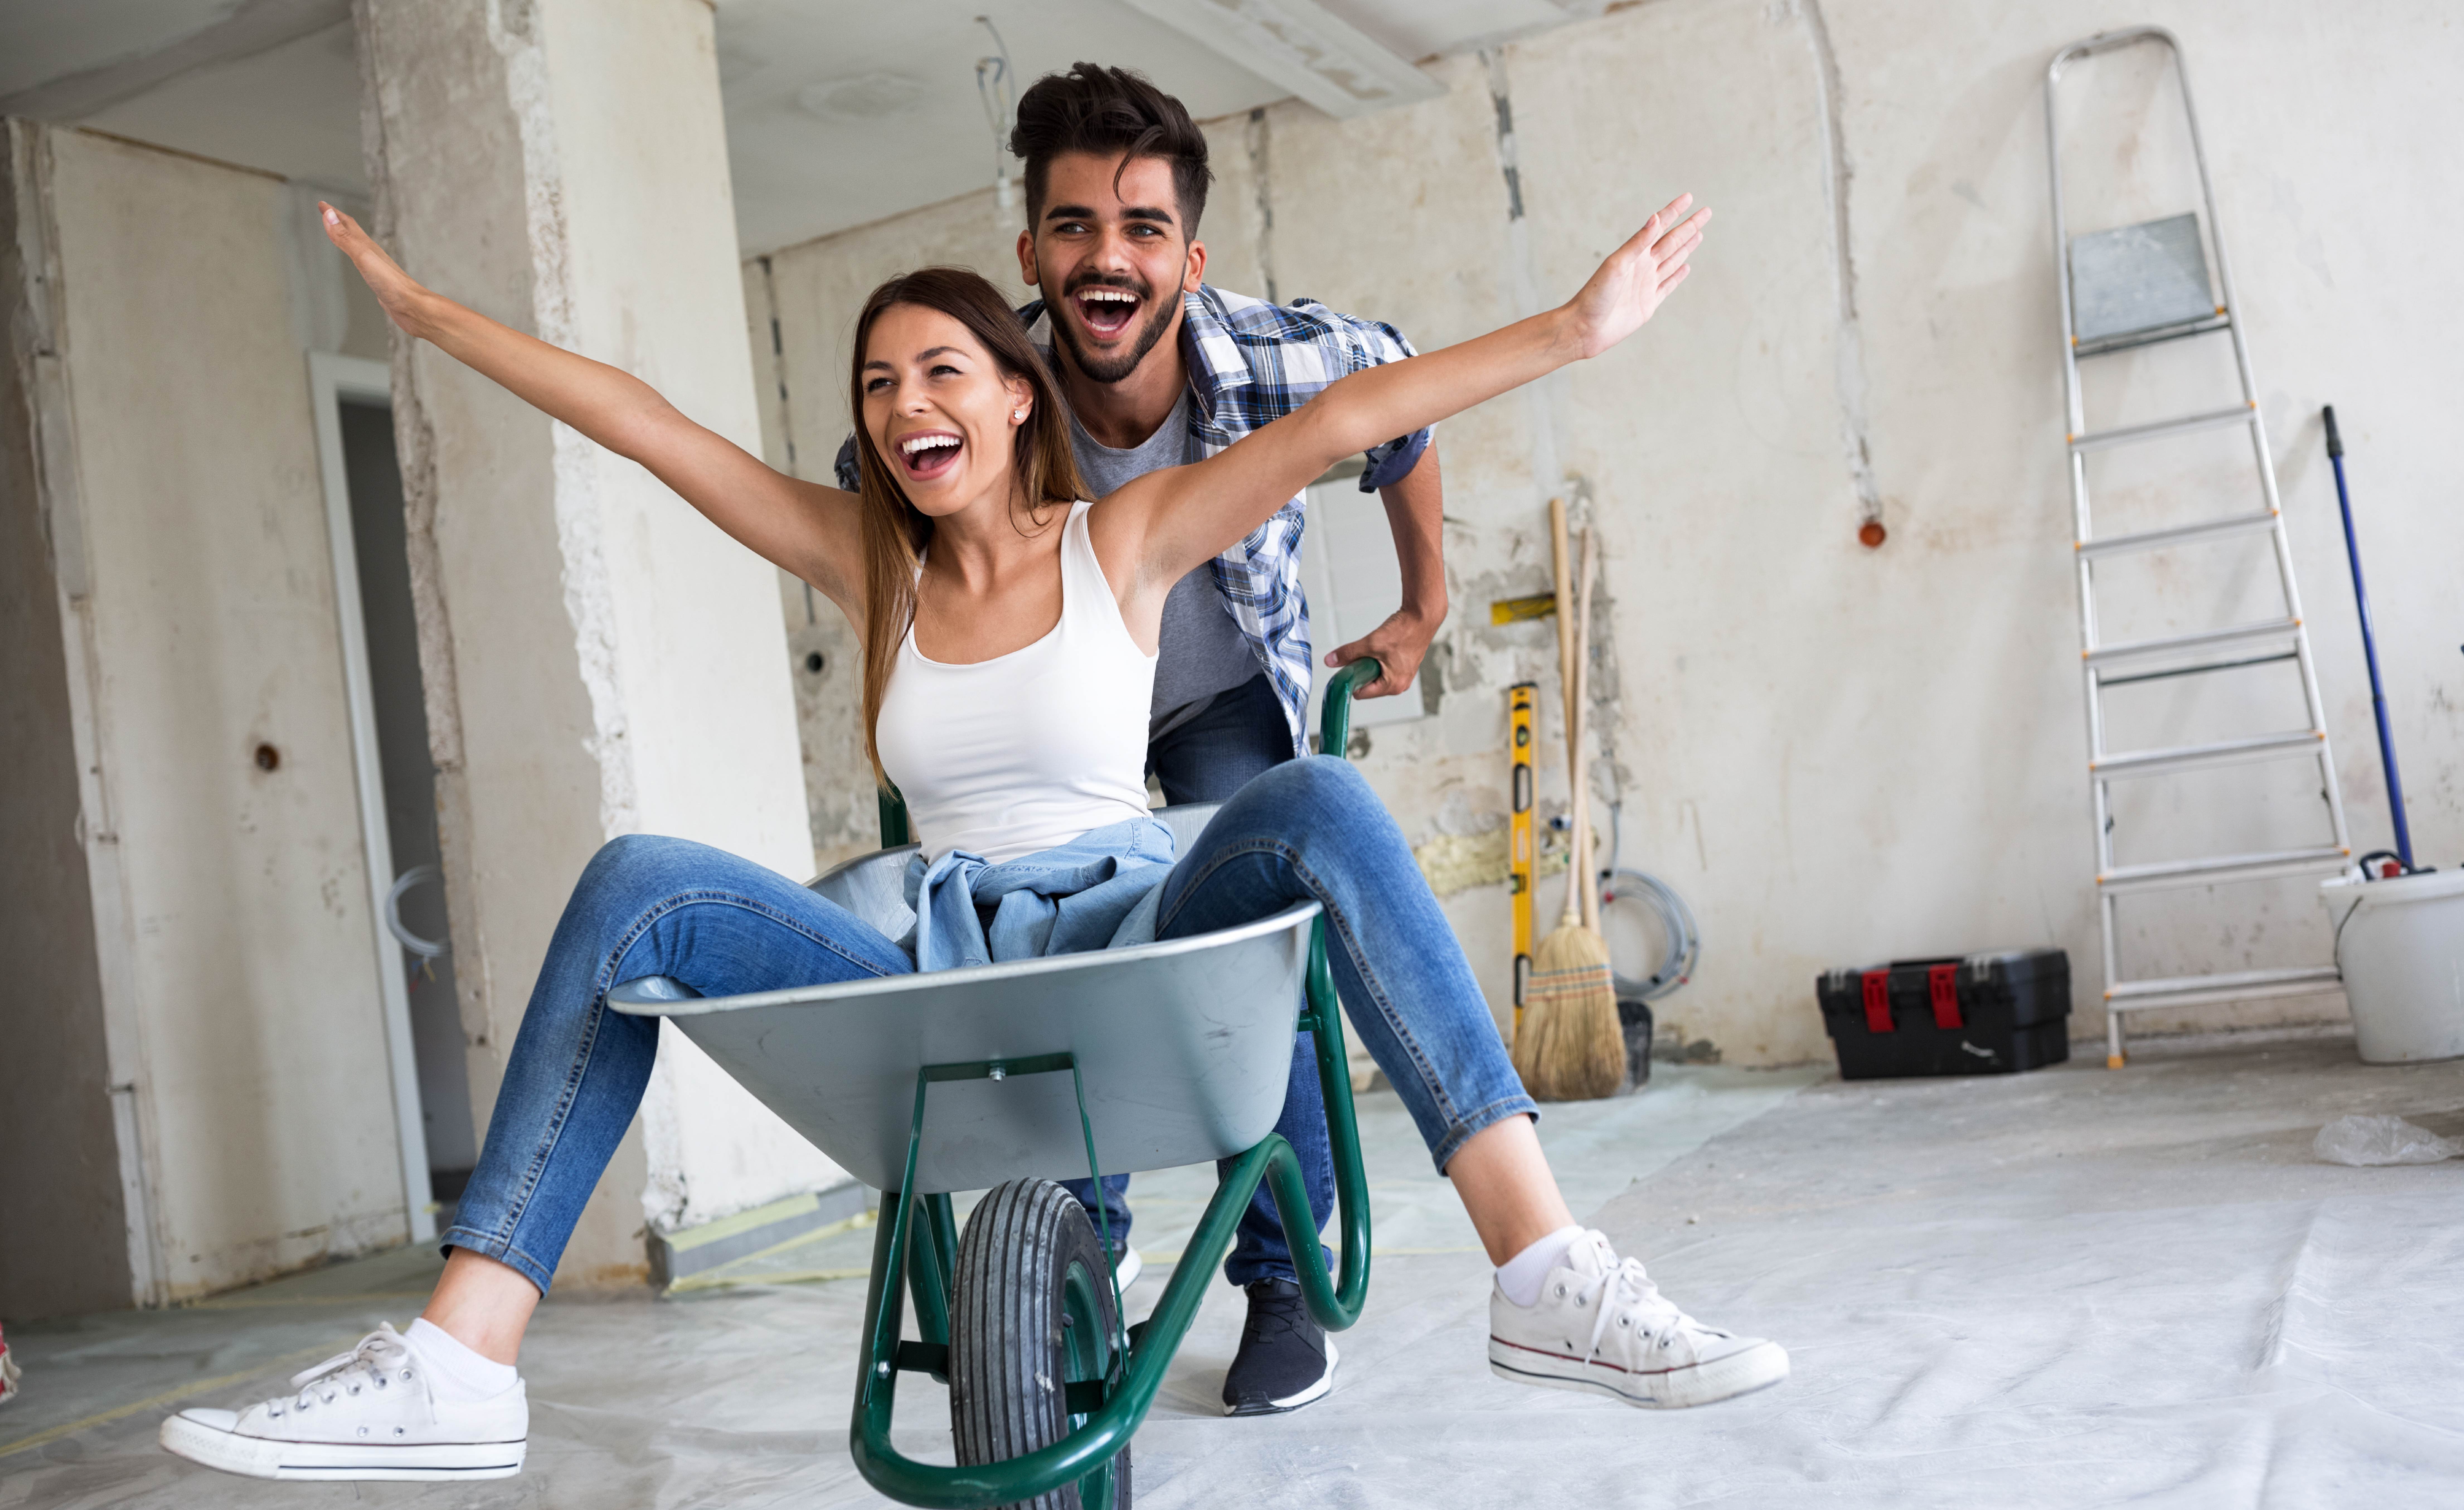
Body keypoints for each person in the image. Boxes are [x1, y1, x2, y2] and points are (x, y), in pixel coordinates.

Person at [161, 178, 1780, 1488]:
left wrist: (1575, 328)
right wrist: (432, 318)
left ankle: (1541, 1265)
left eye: (942, 369)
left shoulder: (1124, 538)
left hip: (1138, 936)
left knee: (1315, 795)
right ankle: (460, 1354)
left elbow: (1343, 421)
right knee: (637, 883)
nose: (904, 403)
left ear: (1017, 396)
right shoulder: (873, 569)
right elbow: (648, 427)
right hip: (940, 951)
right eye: (877, 385)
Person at [832, 62, 1449, 1416]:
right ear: (1031, 253)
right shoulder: (979, 390)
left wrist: (1424, 603)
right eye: (1072, 229)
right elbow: (877, 514)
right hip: (1055, 729)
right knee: (1055, 942)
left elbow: (1392, 405)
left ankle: (1280, 1275)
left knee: (1253, 953)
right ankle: (1078, 1249)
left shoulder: (1274, 355)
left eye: (1141, 230)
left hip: (1220, 689)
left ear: (1188, 252)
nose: (1106, 261)